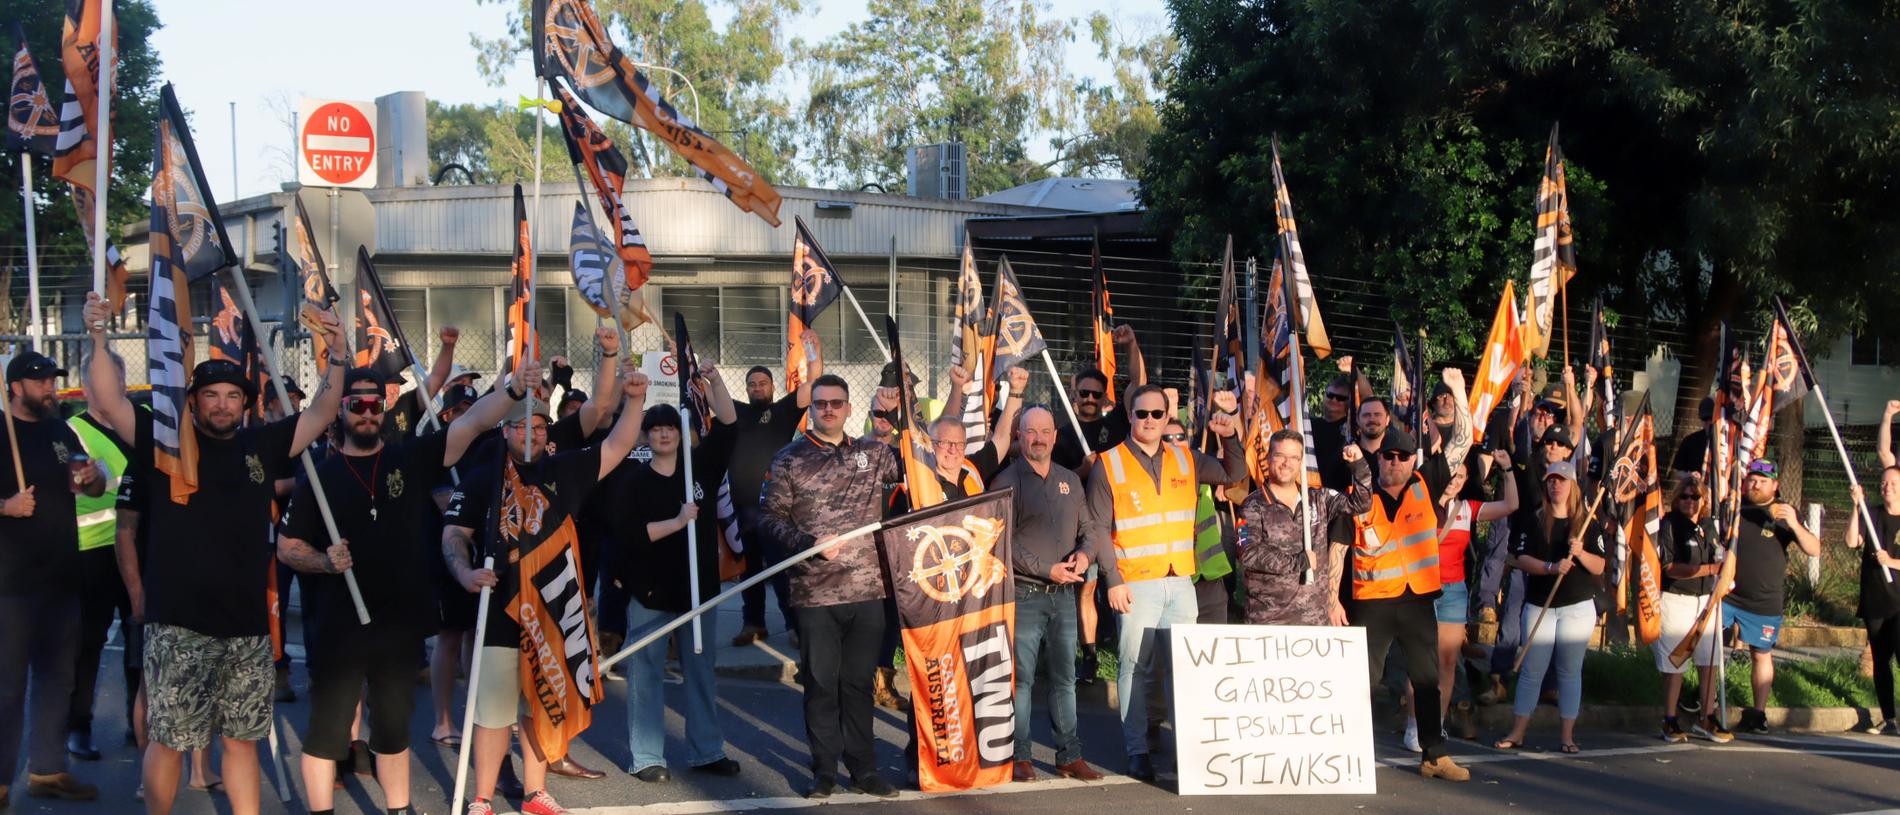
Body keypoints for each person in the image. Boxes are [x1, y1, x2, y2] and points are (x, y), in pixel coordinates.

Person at [83, 290, 348, 815]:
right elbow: (110, 401)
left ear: (244, 404)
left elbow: (322, 410)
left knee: (241, 741)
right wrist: (97, 334)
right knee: (170, 741)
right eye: (212, 395)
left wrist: (338, 352)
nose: (223, 403)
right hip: (178, 626)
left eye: (233, 395)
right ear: (194, 401)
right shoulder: (164, 446)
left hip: (247, 629)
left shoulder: (263, 445)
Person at [275, 362, 517, 815]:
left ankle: (399, 809)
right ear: (341, 412)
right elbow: (287, 548)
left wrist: (514, 391)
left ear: (383, 408)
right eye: (356, 405)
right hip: (338, 627)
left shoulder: (409, 458)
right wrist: (324, 561)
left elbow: (471, 423)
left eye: (374, 404)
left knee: (392, 730)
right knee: (328, 733)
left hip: (398, 626)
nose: (367, 412)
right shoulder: (319, 478)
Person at [441, 365, 646, 815]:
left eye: (538, 427)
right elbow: (454, 534)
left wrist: (635, 401)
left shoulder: (565, 469)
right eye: (520, 427)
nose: (530, 435)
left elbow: (618, 444)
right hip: (499, 610)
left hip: (554, 608)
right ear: (506, 431)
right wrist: (464, 575)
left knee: (543, 705)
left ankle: (536, 793)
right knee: (493, 714)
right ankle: (481, 798)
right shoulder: (483, 476)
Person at [1084, 383, 1244, 781]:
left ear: (1167, 414)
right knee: (1135, 669)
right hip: (1136, 585)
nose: (1150, 421)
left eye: (1158, 414)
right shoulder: (1109, 463)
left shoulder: (1186, 458)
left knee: (1185, 670)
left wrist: (1231, 435)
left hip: (1181, 583)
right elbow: (1099, 530)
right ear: (1130, 415)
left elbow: (1234, 473)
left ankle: (1189, 753)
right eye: (1142, 414)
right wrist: (1114, 581)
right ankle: (1138, 751)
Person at [760, 374, 903, 800]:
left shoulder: (874, 453)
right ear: (811, 408)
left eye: (836, 403)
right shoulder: (789, 458)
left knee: (859, 685)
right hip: (814, 594)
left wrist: (906, 413)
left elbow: (921, 465)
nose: (828, 409)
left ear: (848, 407)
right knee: (821, 685)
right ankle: (824, 770)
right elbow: (767, 520)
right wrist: (808, 544)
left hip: (867, 593)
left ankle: (864, 769)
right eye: (820, 403)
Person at [609, 365, 743, 784]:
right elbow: (633, 534)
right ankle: (647, 756)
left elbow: (728, 425)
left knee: (701, 673)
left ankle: (707, 750)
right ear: (647, 437)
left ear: (681, 433)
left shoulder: (699, 470)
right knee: (646, 674)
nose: (664, 434)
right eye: (656, 430)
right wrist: (679, 520)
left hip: (698, 592)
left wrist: (716, 383)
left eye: (670, 428)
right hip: (650, 594)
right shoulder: (635, 481)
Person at [0, 351, 107, 804]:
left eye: (52, 380)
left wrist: (92, 476)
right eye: (40, 381)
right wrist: (4, 507)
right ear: (15, 386)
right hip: (9, 584)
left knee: (56, 678)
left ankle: (47, 769)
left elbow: (93, 484)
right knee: (6, 685)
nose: (50, 388)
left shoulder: (60, 431)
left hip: (62, 577)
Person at [1340, 428, 1469, 781]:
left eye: (1403, 456)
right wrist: (1330, 599)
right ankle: (1345, 753)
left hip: (1417, 601)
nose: (1395, 461)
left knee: (1427, 681)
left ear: (1414, 460)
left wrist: (1457, 391)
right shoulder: (1360, 493)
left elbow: (1463, 440)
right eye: (1388, 455)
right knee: (1361, 680)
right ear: (1377, 457)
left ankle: (1434, 755)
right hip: (1372, 603)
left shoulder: (1426, 484)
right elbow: (1338, 547)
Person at [988, 406, 1106, 783]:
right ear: (1020, 436)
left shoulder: (1070, 480)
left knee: (1064, 679)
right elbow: (999, 540)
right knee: (1021, 680)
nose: (1038, 438)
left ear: (1055, 436)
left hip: (1064, 597)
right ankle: (1020, 756)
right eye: (1030, 432)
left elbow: (1089, 529)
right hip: (1025, 594)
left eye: (1045, 431)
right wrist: (1045, 569)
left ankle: (1068, 756)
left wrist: (1085, 555)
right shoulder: (1005, 481)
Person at [1493, 462, 1606, 754]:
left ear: (1572, 485)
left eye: (1562, 480)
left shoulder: (1587, 522)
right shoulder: (1534, 519)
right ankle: (1517, 732)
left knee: (1570, 671)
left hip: (1577, 606)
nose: (1556, 485)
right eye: (1552, 480)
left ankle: (1567, 736)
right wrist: (1551, 567)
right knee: (1532, 670)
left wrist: (1580, 554)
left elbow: (1600, 565)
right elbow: (1521, 558)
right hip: (1540, 603)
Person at [66, 349, 136, 762]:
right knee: (88, 641)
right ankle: (78, 725)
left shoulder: (137, 422)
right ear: (87, 386)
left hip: (136, 546)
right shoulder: (72, 431)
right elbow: (88, 482)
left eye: (117, 377)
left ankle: (137, 719)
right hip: (92, 552)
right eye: (102, 379)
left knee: (139, 636)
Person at [1418, 450, 1516, 746]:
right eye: (1450, 474)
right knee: (1421, 661)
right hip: (1420, 589)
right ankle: (1415, 723)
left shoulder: (1467, 509)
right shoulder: (1420, 503)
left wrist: (1507, 470)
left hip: (1453, 591)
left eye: (1460, 476)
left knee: (1447, 662)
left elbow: (1511, 504)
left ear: (1465, 481)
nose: (1453, 480)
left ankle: (1436, 724)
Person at [1722, 459, 1822, 735]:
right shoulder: (1734, 506)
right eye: (1752, 479)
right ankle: (1704, 701)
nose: (1755, 484)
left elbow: (1814, 549)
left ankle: (1759, 713)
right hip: (1727, 595)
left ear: (1775, 485)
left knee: (1761, 654)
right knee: (1707, 644)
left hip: (1763, 601)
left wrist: (1794, 524)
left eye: (1763, 481)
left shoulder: (1783, 512)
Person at [1237, 429, 1370, 625]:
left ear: (1300, 462)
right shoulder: (1252, 506)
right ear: (1268, 458)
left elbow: (1361, 504)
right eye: (1280, 456)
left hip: (1315, 621)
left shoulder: (1318, 498)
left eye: (1293, 457)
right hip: (1269, 621)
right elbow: (1248, 553)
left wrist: (1358, 465)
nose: (1286, 463)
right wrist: (1297, 562)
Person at [729, 358, 814, 648]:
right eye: (752, 384)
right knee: (748, 570)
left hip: (777, 508)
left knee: (781, 569)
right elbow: (706, 396)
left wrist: (813, 355)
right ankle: (753, 624)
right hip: (741, 509)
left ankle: (794, 625)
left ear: (772, 386)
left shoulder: (783, 411)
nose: (757, 388)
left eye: (762, 383)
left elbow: (812, 386)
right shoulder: (736, 412)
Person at [1652, 478, 1730, 743]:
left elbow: (1721, 557)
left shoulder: (1709, 526)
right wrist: (1709, 570)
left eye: (1695, 497)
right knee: (1677, 662)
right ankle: (1670, 718)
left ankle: (1707, 716)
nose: (1689, 501)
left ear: (1703, 501)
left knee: (1709, 661)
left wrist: (1724, 572)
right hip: (1678, 599)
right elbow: (1669, 567)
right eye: (1684, 496)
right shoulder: (1671, 525)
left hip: (1707, 599)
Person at [1848, 462, 1900, 736]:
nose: (1886, 487)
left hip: (1899, 602)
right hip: (1875, 600)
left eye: (1892, 483)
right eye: (1883, 483)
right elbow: (1851, 541)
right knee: (1881, 661)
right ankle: (1889, 719)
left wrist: (1891, 561)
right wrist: (1856, 508)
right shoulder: (1872, 515)